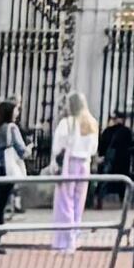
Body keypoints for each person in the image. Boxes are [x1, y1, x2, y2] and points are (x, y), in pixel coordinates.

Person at [51, 105, 99, 255]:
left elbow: (58, 146)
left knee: (65, 202)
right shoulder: (91, 122)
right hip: (85, 162)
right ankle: (74, 237)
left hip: (70, 160)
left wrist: (54, 161)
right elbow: (93, 148)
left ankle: (64, 242)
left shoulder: (67, 123)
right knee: (79, 202)